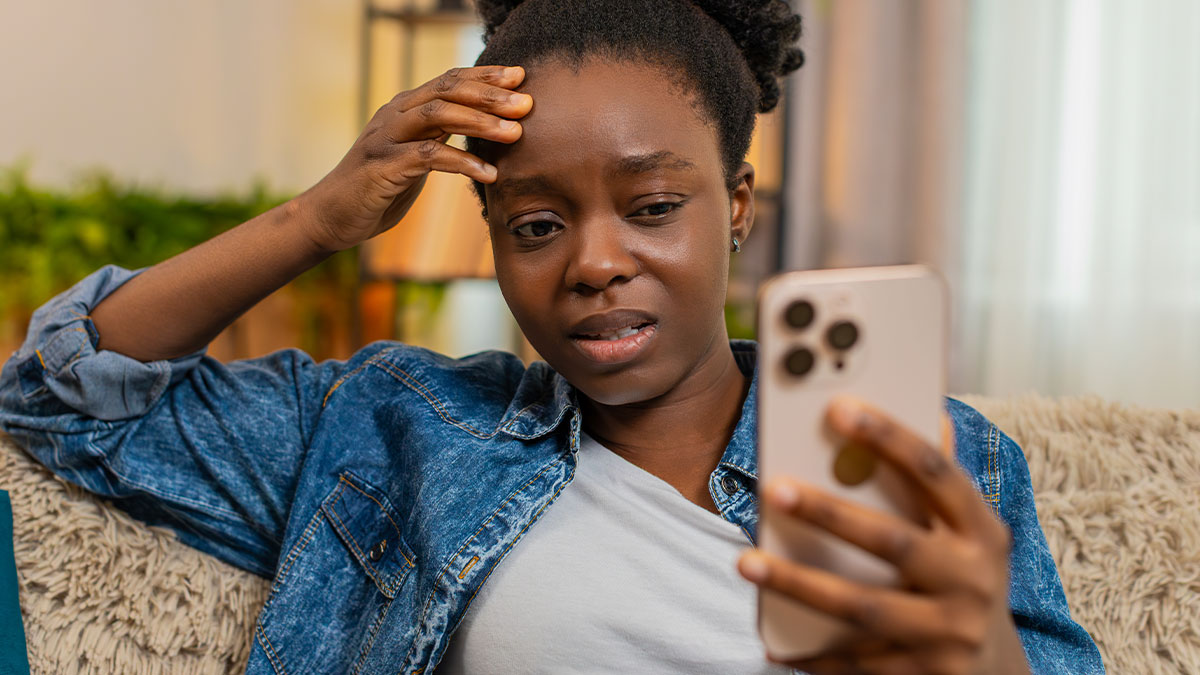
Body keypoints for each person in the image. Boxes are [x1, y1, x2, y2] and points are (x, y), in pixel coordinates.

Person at [0, 1, 1104, 673]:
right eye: (535, 224)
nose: (592, 260)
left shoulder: (934, 454)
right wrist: (317, 218)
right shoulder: (394, 428)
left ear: (735, 205)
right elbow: (57, 399)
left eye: (654, 206)